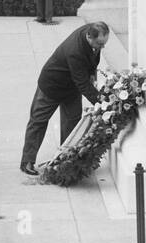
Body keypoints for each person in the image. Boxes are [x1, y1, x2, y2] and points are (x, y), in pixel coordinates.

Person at [19, 21, 109, 176]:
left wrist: (92, 75)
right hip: (51, 86)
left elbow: (92, 60)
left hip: (71, 87)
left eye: (104, 44)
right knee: (38, 121)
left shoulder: (91, 33)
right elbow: (82, 83)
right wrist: (103, 103)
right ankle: (27, 161)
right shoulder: (75, 51)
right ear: (89, 36)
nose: (102, 47)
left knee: (72, 124)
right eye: (100, 44)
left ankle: (65, 161)